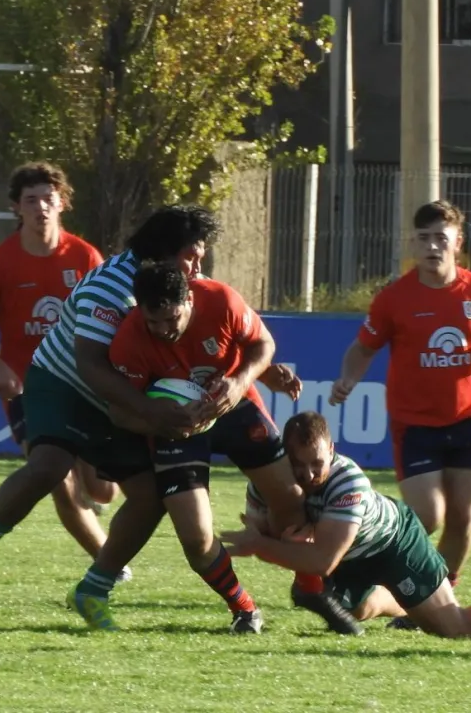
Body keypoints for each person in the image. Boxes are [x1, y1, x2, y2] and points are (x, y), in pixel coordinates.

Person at [0, 205, 262, 605]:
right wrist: (150, 411)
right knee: (51, 466)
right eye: (191, 254)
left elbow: (221, 329)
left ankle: (94, 589)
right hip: (63, 385)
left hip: (117, 399)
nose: (199, 263)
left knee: (149, 497)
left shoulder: (178, 284)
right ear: (162, 252)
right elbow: (90, 365)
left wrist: (264, 371)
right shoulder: (112, 286)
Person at [72, 261, 315, 633]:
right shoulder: (130, 339)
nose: (162, 331)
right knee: (196, 537)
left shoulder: (221, 300)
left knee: (293, 500)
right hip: (173, 429)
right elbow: (120, 415)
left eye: (171, 320)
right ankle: (245, 608)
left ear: (189, 299)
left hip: (234, 406)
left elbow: (262, 344)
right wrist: (161, 420)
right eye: (153, 322)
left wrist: (238, 382)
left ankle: (312, 589)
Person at [329, 200, 471, 621]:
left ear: (458, 242)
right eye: (424, 238)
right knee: (428, 515)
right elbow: (363, 347)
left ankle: (440, 598)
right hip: (415, 424)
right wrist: (349, 377)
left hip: (470, 421)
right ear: (414, 243)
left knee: (463, 517)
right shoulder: (395, 298)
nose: (432, 246)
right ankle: (355, 564)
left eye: (441, 238)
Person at [224, 411, 471, 640]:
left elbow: (321, 560)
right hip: (353, 555)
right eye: (297, 464)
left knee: (455, 627)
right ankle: (411, 608)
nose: (307, 474)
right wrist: (266, 537)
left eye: (316, 463)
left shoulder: (348, 481)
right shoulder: (267, 481)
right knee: (352, 608)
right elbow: (269, 532)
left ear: (332, 453)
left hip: (393, 543)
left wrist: (260, 545)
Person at [0, 161, 131, 586]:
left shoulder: (85, 257)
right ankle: (110, 566)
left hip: (85, 385)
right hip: (28, 389)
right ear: (17, 208)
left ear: (62, 203)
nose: (41, 208)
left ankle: (95, 503)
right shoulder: (1, 263)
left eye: (48, 199)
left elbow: (112, 317)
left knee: (103, 490)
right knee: (56, 478)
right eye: (31, 200)